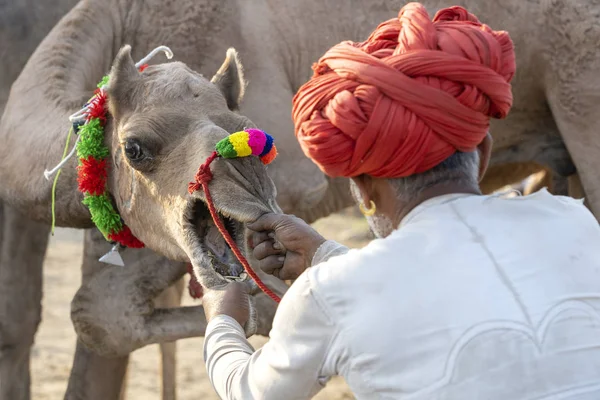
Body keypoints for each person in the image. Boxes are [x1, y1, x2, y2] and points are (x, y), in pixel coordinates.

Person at [201, 3, 600, 399]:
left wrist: (223, 320)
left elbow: (248, 391)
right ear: (483, 154)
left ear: (363, 188)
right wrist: (323, 254)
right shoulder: (571, 221)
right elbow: (448, 274)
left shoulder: (329, 294)